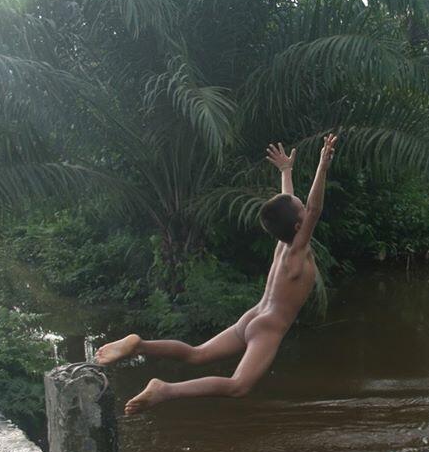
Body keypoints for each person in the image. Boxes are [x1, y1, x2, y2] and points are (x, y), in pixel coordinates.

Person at [94, 134, 339, 414]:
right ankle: (166, 389)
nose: (301, 205)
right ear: (299, 225)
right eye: (300, 211)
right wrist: (322, 165)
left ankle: (140, 345)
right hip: (269, 326)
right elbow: (314, 208)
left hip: (253, 316)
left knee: (197, 354)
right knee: (238, 386)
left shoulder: (283, 245)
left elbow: (290, 205)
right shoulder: (298, 250)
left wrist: (286, 171)